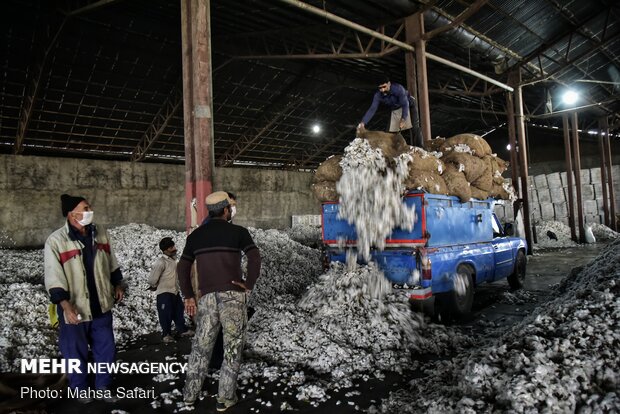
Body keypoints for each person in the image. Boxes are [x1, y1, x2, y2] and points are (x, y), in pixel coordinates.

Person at [178, 191, 261, 412]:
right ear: (225, 210)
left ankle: (189, 396)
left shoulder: (196, 236)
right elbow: (254, 256)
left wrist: (188, 295)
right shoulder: (238, 232)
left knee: (201, 347)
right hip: (233, 296)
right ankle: (225, 398)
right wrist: (249, 283)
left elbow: (182, 267)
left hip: (206, 299)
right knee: (232, 348)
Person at [44, 194, 125, 402]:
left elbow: (111, 261)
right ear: (72, 214)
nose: (90, 211)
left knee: (106, 348)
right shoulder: (56, 241)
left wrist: (118, 283)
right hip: (75, 309)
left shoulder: (99, 233)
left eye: (89, 207)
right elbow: (54, 277)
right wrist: (65, 305)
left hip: (101, 305)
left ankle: (103, 386)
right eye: (85, 208)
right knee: (74, 351)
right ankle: (80, 388)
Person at [148, 237, 193, 343]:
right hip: (164, 293)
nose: (174, 248)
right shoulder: (161, 262)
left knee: (178, 311)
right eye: (171, 247)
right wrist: (154, 285)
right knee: (165, 313)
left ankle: (182, 330)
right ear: (166, 249)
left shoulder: (173, 260)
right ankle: (166, 334)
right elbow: (152, 279)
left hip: (174, 291)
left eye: (173, 246)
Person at [358, 74, 423, 146]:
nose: (382, 90)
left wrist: (403, 119)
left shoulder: (398, 89)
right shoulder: (378, 95)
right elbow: (372, 109)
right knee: (390, 132)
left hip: (408, 105)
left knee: (415, 128)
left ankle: (421, 148)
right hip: (395, 109)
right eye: (380, 88)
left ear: (389, 84)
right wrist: (363, 122)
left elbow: (405, 104)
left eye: (384, 87)